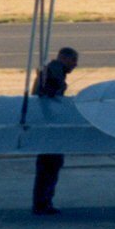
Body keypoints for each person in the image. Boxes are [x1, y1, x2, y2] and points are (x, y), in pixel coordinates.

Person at [31, 47, 80, 216]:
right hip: (49, 128)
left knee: (47, 165)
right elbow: (50, 96)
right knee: (50, 165)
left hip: (45, 126)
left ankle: (43, 202)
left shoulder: (51, 70)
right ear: (65, 59)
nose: (75, 65)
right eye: (74, 61)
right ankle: (42, 203)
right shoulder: (55, 72)